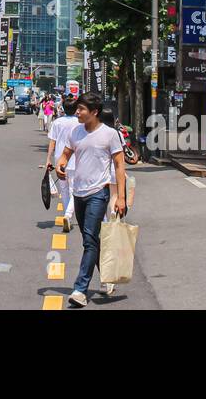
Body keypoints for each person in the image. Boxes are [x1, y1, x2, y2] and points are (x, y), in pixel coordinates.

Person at [56, 93, 127, 308]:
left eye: (81, 109)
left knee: (88, 239)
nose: (77, 112)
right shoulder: (75, 131)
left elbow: (119, 165)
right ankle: (107, 277)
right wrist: (61, 163)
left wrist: (121, 197)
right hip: (78, 192)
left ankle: (80, 289)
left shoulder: (110, 134)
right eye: (77, 109)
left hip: (99, 192)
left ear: (94, 112)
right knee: (92, 239)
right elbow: (67, 154)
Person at [46, 96, 79, 231]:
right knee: (75, 190)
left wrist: (48, 158)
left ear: (63, 109)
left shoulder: (57, 122)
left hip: (60, 158)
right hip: (75, 158)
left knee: (64, 190)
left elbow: (52, 142)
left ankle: (67, 216)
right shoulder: (79, 122)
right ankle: (68, 215)